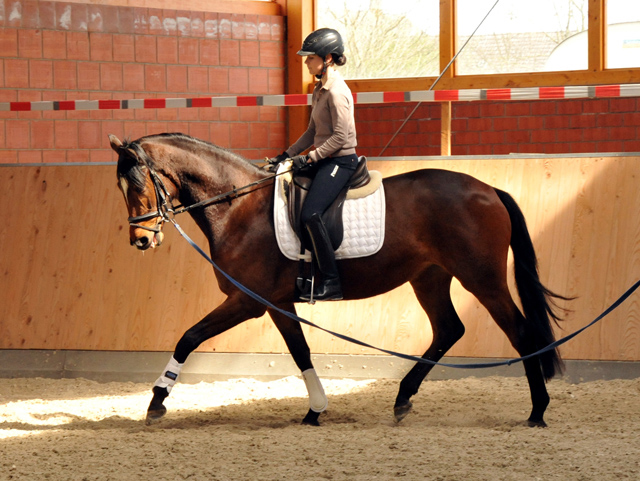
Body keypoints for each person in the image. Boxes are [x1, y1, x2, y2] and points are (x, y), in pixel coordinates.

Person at [270, 28, 358, 302]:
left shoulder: (336, 92)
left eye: (310, 57)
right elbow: (311, 132)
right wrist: (285, 154)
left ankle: (332, 282)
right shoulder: (319, 90)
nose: (306, 62)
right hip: (323, 159)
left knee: (311, 214)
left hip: (340, 162)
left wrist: (310, 158)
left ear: (328, 57)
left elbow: (341, 137)